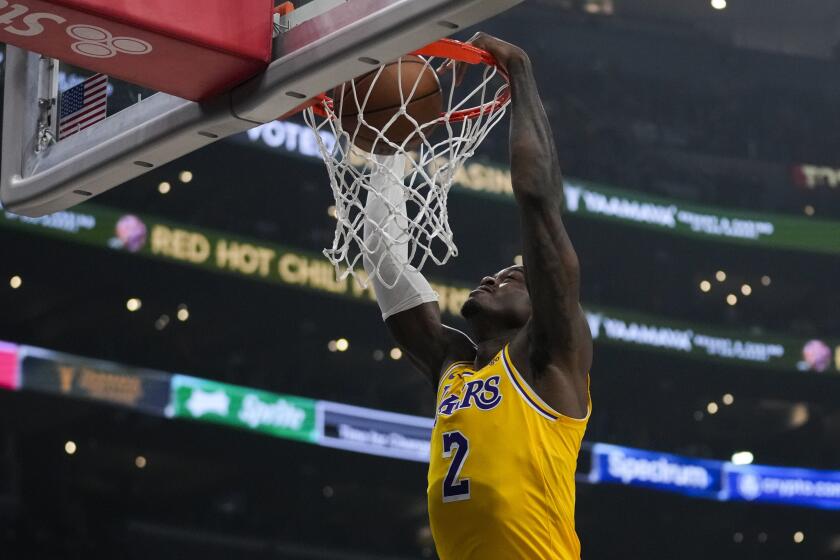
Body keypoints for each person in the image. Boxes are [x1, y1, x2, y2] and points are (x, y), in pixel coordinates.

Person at [363, 33, 592, 560]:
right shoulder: (453, 363)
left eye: (515, 277)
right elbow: (384, 258)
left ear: (545, 304)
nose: (494, 276)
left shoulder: (553, 357)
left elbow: (537, 199)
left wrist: (519, 70)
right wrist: (392, 148)